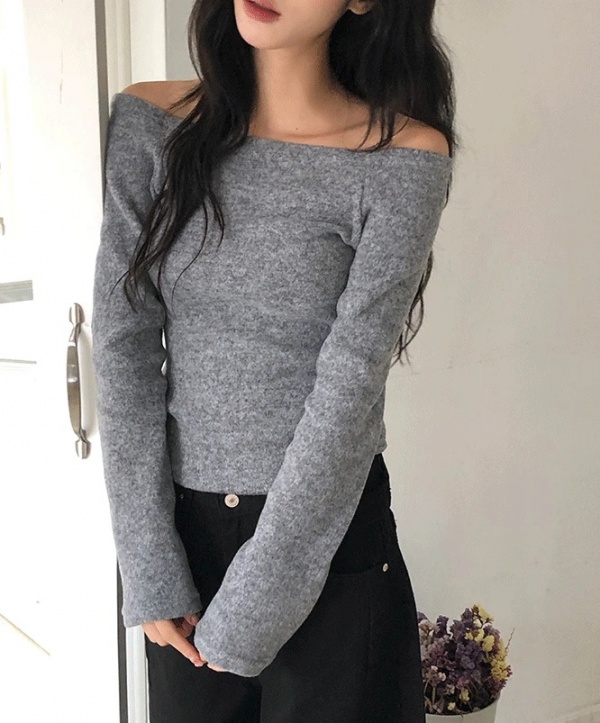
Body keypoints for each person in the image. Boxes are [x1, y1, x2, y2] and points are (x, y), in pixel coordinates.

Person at [91, 0, 458, 720]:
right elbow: (122, 340)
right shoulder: (151, 124)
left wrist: (262, 595)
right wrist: (148, 561)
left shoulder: (403, 158)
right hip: (184, 544)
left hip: (328, 542)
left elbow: (350, 386)